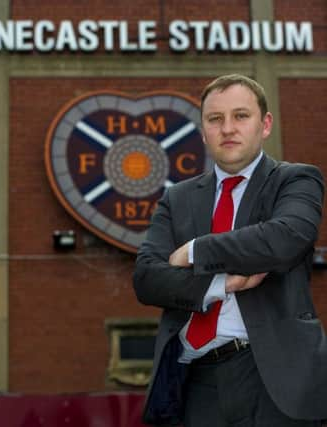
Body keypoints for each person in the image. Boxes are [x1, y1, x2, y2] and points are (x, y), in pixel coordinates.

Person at [133, 74, 327, 427]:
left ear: (265, 124)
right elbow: (147, 279)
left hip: (274, 380)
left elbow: (283, 239)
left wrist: (195, 250)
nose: (228, 128)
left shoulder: (295, 180)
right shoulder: (177, 199)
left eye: (241, 116)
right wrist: (223, 284)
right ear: (204, 131)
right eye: (215, 119)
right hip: (196, 384)